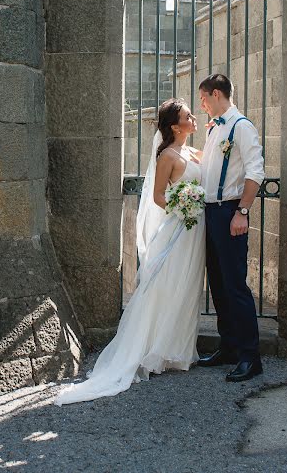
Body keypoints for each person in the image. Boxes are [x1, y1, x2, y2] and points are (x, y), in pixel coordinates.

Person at [55, 98, 207, 405]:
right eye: (188, 116)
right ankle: (152, 350)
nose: (194, 118)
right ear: (176, 127)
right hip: (179, 228)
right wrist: (186, 207)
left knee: (187, 287)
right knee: (166, 286)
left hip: (195, 231)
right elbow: (158, 197)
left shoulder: (192, 151)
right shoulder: (168, 155)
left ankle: (177, 350)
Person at [196, 73, 265, 382]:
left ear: (216, 94)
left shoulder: (241, 127)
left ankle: (251, 357)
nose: (202, 104)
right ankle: (230, 347)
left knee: (236, 286)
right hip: (211, 213)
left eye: (204, 98)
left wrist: (242, 212)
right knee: (219, 285)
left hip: (230, 212)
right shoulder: (214, 130)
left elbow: (255, 173)